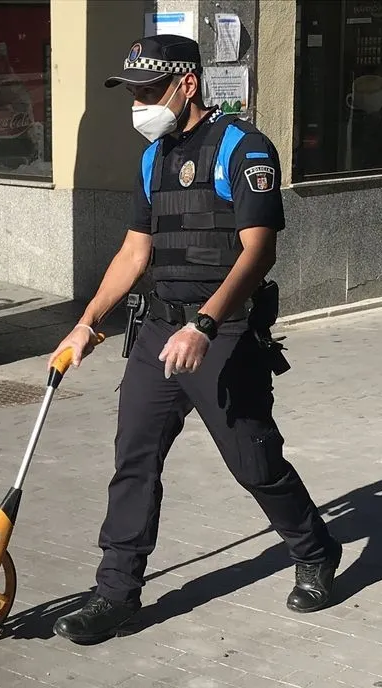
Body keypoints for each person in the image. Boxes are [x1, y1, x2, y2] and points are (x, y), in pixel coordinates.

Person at [47, 34, 342, 645]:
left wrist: (204, 324)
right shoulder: (153, 159)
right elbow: (135, 252)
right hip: (158, 330)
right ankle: (115, 594)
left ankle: (315, 549)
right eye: (133, 93)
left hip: (223, 333)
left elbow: (258, 252)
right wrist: (87, 320)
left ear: (187, 84)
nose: (139, 104)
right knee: (134, 458)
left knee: (255, 463)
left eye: (150, 90)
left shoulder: (243, 147)